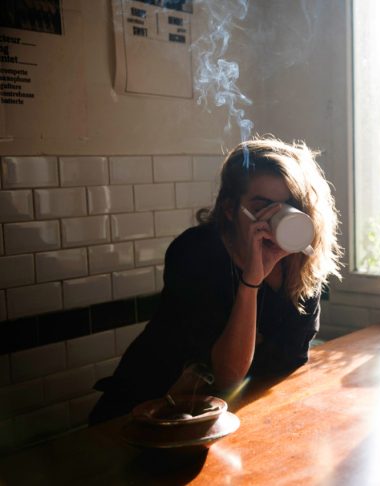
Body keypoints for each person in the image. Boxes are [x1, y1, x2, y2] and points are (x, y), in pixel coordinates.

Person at [89, 137, 342, 424]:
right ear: (230, 209)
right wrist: (251, 281)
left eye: (290, 206)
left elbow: (290, 362)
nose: (279, 217)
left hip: (235, 416)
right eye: (263, 206)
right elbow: (227, 376)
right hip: (150, 409)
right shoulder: (195, 253)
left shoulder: (301, 263)